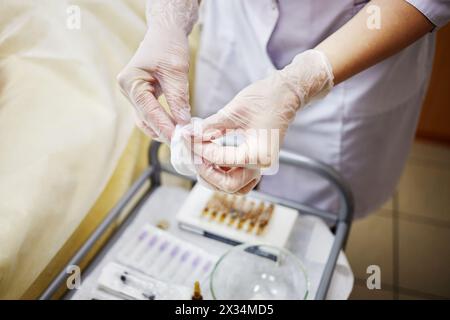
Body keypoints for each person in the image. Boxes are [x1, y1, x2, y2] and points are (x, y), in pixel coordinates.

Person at [118, 0, 450, 218]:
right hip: (236, 31)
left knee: (313, 223)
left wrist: (301, 81)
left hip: (354, 59)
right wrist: (168, 21)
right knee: (217, 194)